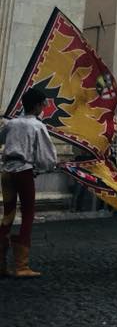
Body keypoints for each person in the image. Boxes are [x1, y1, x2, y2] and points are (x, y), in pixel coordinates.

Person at [0, 86, 57, 278]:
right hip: (24, 172)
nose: (43, 107)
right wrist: (46, 167)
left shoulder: (10, 124)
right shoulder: (37, 126)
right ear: (37, 105)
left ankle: (0, 264)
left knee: (7, 215)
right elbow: (46, 156)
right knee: (28, 215)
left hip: (6, 171)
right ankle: (21, 266)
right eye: (42, 104)